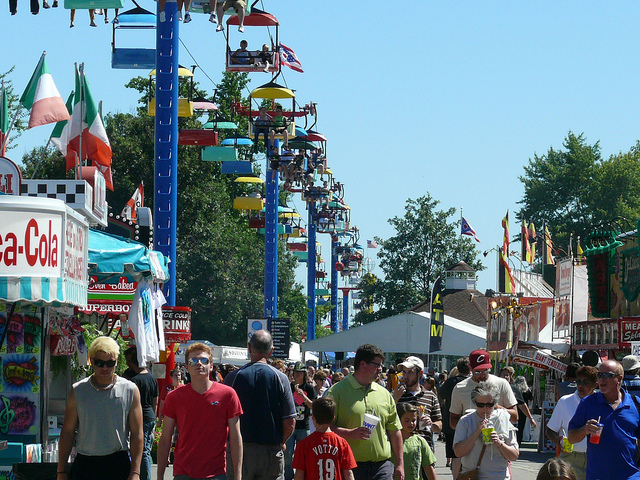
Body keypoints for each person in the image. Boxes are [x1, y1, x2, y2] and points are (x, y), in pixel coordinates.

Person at [57, 336, 143, 480]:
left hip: (117, 462)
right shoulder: (78, 390)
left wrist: (135, 472)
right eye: (99, 363)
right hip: (85, 464)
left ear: (116, 361)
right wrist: (61, 471)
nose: (105, 368)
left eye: (110, 363)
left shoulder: (129, 389)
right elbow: (68, 432)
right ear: (91, 361)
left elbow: (137, 433)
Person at [157, 342, 243, 480]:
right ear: (186, 367)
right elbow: (165, 438)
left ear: (211, 366)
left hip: (216, 473)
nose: (199, 364)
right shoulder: (174, 397)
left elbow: (235, 437)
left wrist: (238, 476)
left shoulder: (228, 394)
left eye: (204, 360)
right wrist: (159, 476)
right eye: (193, 361)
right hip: (183, 473)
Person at [224, 330, 297, 480]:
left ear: (249, 348)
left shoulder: (233, 377)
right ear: (271, 351)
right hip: (271, 450)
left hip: (240, 450)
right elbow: (290, 421)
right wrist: (281, 442)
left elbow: (222, 418)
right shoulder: (281, 378)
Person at [326, 343, 404, 480]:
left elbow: (394, 430)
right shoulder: (336, 392)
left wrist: (400, 464)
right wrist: (349, 433)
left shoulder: (384, 394)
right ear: (363, 364)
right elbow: (325, 428)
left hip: (382, 466)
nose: (381, 369)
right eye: (377, 365)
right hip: (348, 466)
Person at [449, 351, 517, 479]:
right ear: (470, 369)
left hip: (498, 467)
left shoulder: (502, 383)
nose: (482, 376)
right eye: (477, 372)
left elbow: (514, 416)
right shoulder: (460, 388)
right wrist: (471, 425)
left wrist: (496, 409)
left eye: (485, 371)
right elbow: (452, 421)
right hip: (472, 462)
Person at [568, 359, 640, 480]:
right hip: (598, 476)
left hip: (630, 475)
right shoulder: (588, 403)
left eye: (607, 375)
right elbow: (571, 437)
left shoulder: (635, 403)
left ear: (619, 379)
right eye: (599, 375)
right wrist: (584, 430)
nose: (601, 379)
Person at [545, 366, 597, 480]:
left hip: (594, 457)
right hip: (570, 457)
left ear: (595, 385)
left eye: (586, 382)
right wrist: (559, 442)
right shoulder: (565, 401)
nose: (580, 385)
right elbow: (549, 430)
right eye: (578, 381)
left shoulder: (600, 403)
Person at [292, 397, 357, 480]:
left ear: (313, 417)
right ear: (333, 418)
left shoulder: (303, 444)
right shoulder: (342, 443)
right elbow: (349, 474)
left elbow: (299, 474)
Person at [393, 356, 442, 454]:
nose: (405, 376)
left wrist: (431, 424)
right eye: (404, 372)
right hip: (402, 450)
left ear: (420, 373)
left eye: (410, 372)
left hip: (425, 450)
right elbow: (386, 418)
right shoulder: (397, 394)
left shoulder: (430, 396)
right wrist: (394, 399)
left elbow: (439, 425)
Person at [125, 346, 158, 480]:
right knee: (146, 450)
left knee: (141, 451)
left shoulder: (133, 381)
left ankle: (144, 477)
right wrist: (154, 417)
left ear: (132, 361)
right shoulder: (151, 377)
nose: (127, 363)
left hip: (140, 418)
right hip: (150, 415)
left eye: (128, 360)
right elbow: (156, 399)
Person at [285, 362, 317, 480]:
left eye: (300, 373)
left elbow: (314, 406)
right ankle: (288, 476)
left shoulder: (309, 388)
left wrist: (303, 397)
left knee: (304, 454)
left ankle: (303, 476)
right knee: (287, 454)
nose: (298, 375)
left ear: (304, 374)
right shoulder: (289, 386)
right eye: (296, 373)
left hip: (304, 426)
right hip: (290, 425)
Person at [438, 358, 470, 471]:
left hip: (451, 421)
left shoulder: (450, 382)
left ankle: (456, 476)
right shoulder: (472, 382)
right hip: (468, 422)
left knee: (455, 454)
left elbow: (441, 395)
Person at [396, 403, 437, 480]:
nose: (411, 423)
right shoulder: (391, 440)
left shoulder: (420, 441)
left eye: (413, 420)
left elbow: (429, 468)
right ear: (398, 419)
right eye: (407, 420)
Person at [499, 367, 537, 447]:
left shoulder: (514, 389)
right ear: (499, 376)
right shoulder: (494, 387)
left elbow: (522, 405)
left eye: (508, 375)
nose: (506, 377)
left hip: (511, 421)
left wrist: (530, 418)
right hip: (498, 420)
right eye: (504, 375)